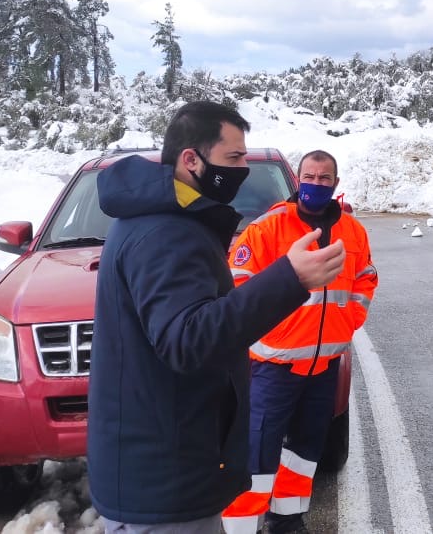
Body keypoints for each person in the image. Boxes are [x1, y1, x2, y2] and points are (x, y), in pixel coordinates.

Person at [88, 101, 345, 534]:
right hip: (166, 480)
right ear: (192, 159)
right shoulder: (165, 232)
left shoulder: (167, 220)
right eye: (234, 157)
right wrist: (290, 278)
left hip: (164, 464)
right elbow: (186, 340)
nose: (243, 167)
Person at [221, 150, 377, 534]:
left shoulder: (353, 231)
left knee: (305, 450)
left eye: (325, 179)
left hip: (324, 365)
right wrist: (267, 328)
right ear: (298, 181)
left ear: (336, 185)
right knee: (257, 453)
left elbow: (366, 277)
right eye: (310, 176)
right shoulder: (266, 229)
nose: (317, 184)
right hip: (273, 366)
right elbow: (237, 283)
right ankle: (240, 528)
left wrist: (350, 320)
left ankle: (287, 519)